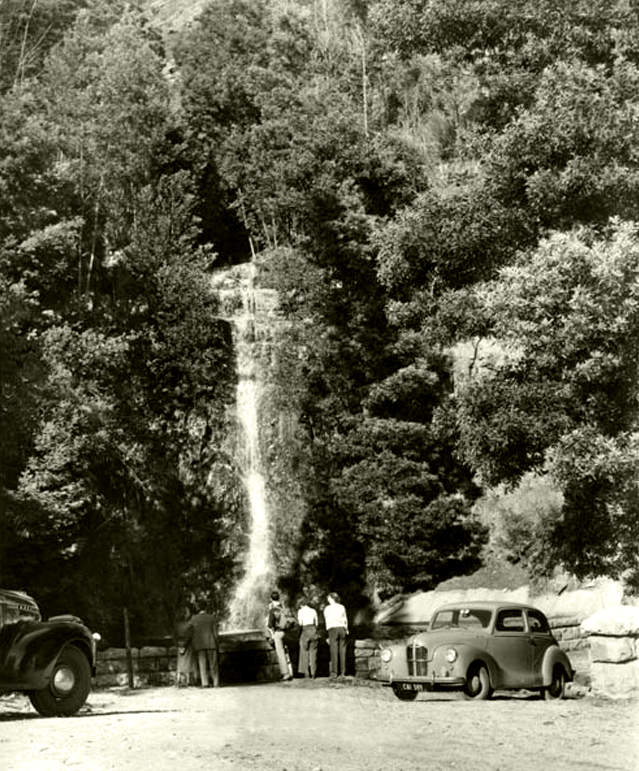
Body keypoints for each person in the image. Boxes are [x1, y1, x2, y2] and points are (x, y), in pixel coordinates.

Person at [184, 601, 220, 688]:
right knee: (213, 664)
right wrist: (217, 643)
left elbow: (188, 630)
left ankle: (205, 683)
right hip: (211, 643)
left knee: (202, 664)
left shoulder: (193, 619)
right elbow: (215, 633)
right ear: (206, 608)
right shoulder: (212, 618)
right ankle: (216, 683)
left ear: (198, 608)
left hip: (199, 644)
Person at [267, 590, 293, 680]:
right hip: (287, 632)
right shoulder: (283, 607)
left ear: (271, 599)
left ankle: (286, 674)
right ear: (278, 598)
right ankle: (292, 671)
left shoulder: (273, 610)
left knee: (281, 653)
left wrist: (271, 634)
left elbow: (270, 625)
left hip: (278, 633)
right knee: (288, 652)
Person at [323, 592, 348, 679]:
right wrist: (346, 629)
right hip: (342, 628)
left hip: (332, 629)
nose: (327, 600)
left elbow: (327, 620)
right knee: (343, 651)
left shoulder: (327, 608)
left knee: (334, 650)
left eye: (328, 598)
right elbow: (345, 619)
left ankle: (334, 672)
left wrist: (327, 634)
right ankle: (343, 672)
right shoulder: (342, 607)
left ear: (331, 598)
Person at [296, 598, 319, 678]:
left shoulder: (300, 611)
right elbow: (317, 623)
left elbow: (300, 623)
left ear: (301, 605)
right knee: (313, 653)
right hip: (313, 630)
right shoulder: (313, 611)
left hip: (305, 631)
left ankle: (306, 673)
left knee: (304, 652)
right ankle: (313, 673)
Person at [175, 605, 198, 686]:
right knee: (188, 662)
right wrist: (185, 644)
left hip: (179, 644)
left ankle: (178, 679)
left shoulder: (177, 625)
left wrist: (178, 644)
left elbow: (174, 636)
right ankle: (188, 680)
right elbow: (190, 636)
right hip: (187, 645)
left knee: (180, 663)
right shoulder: (190, 625)